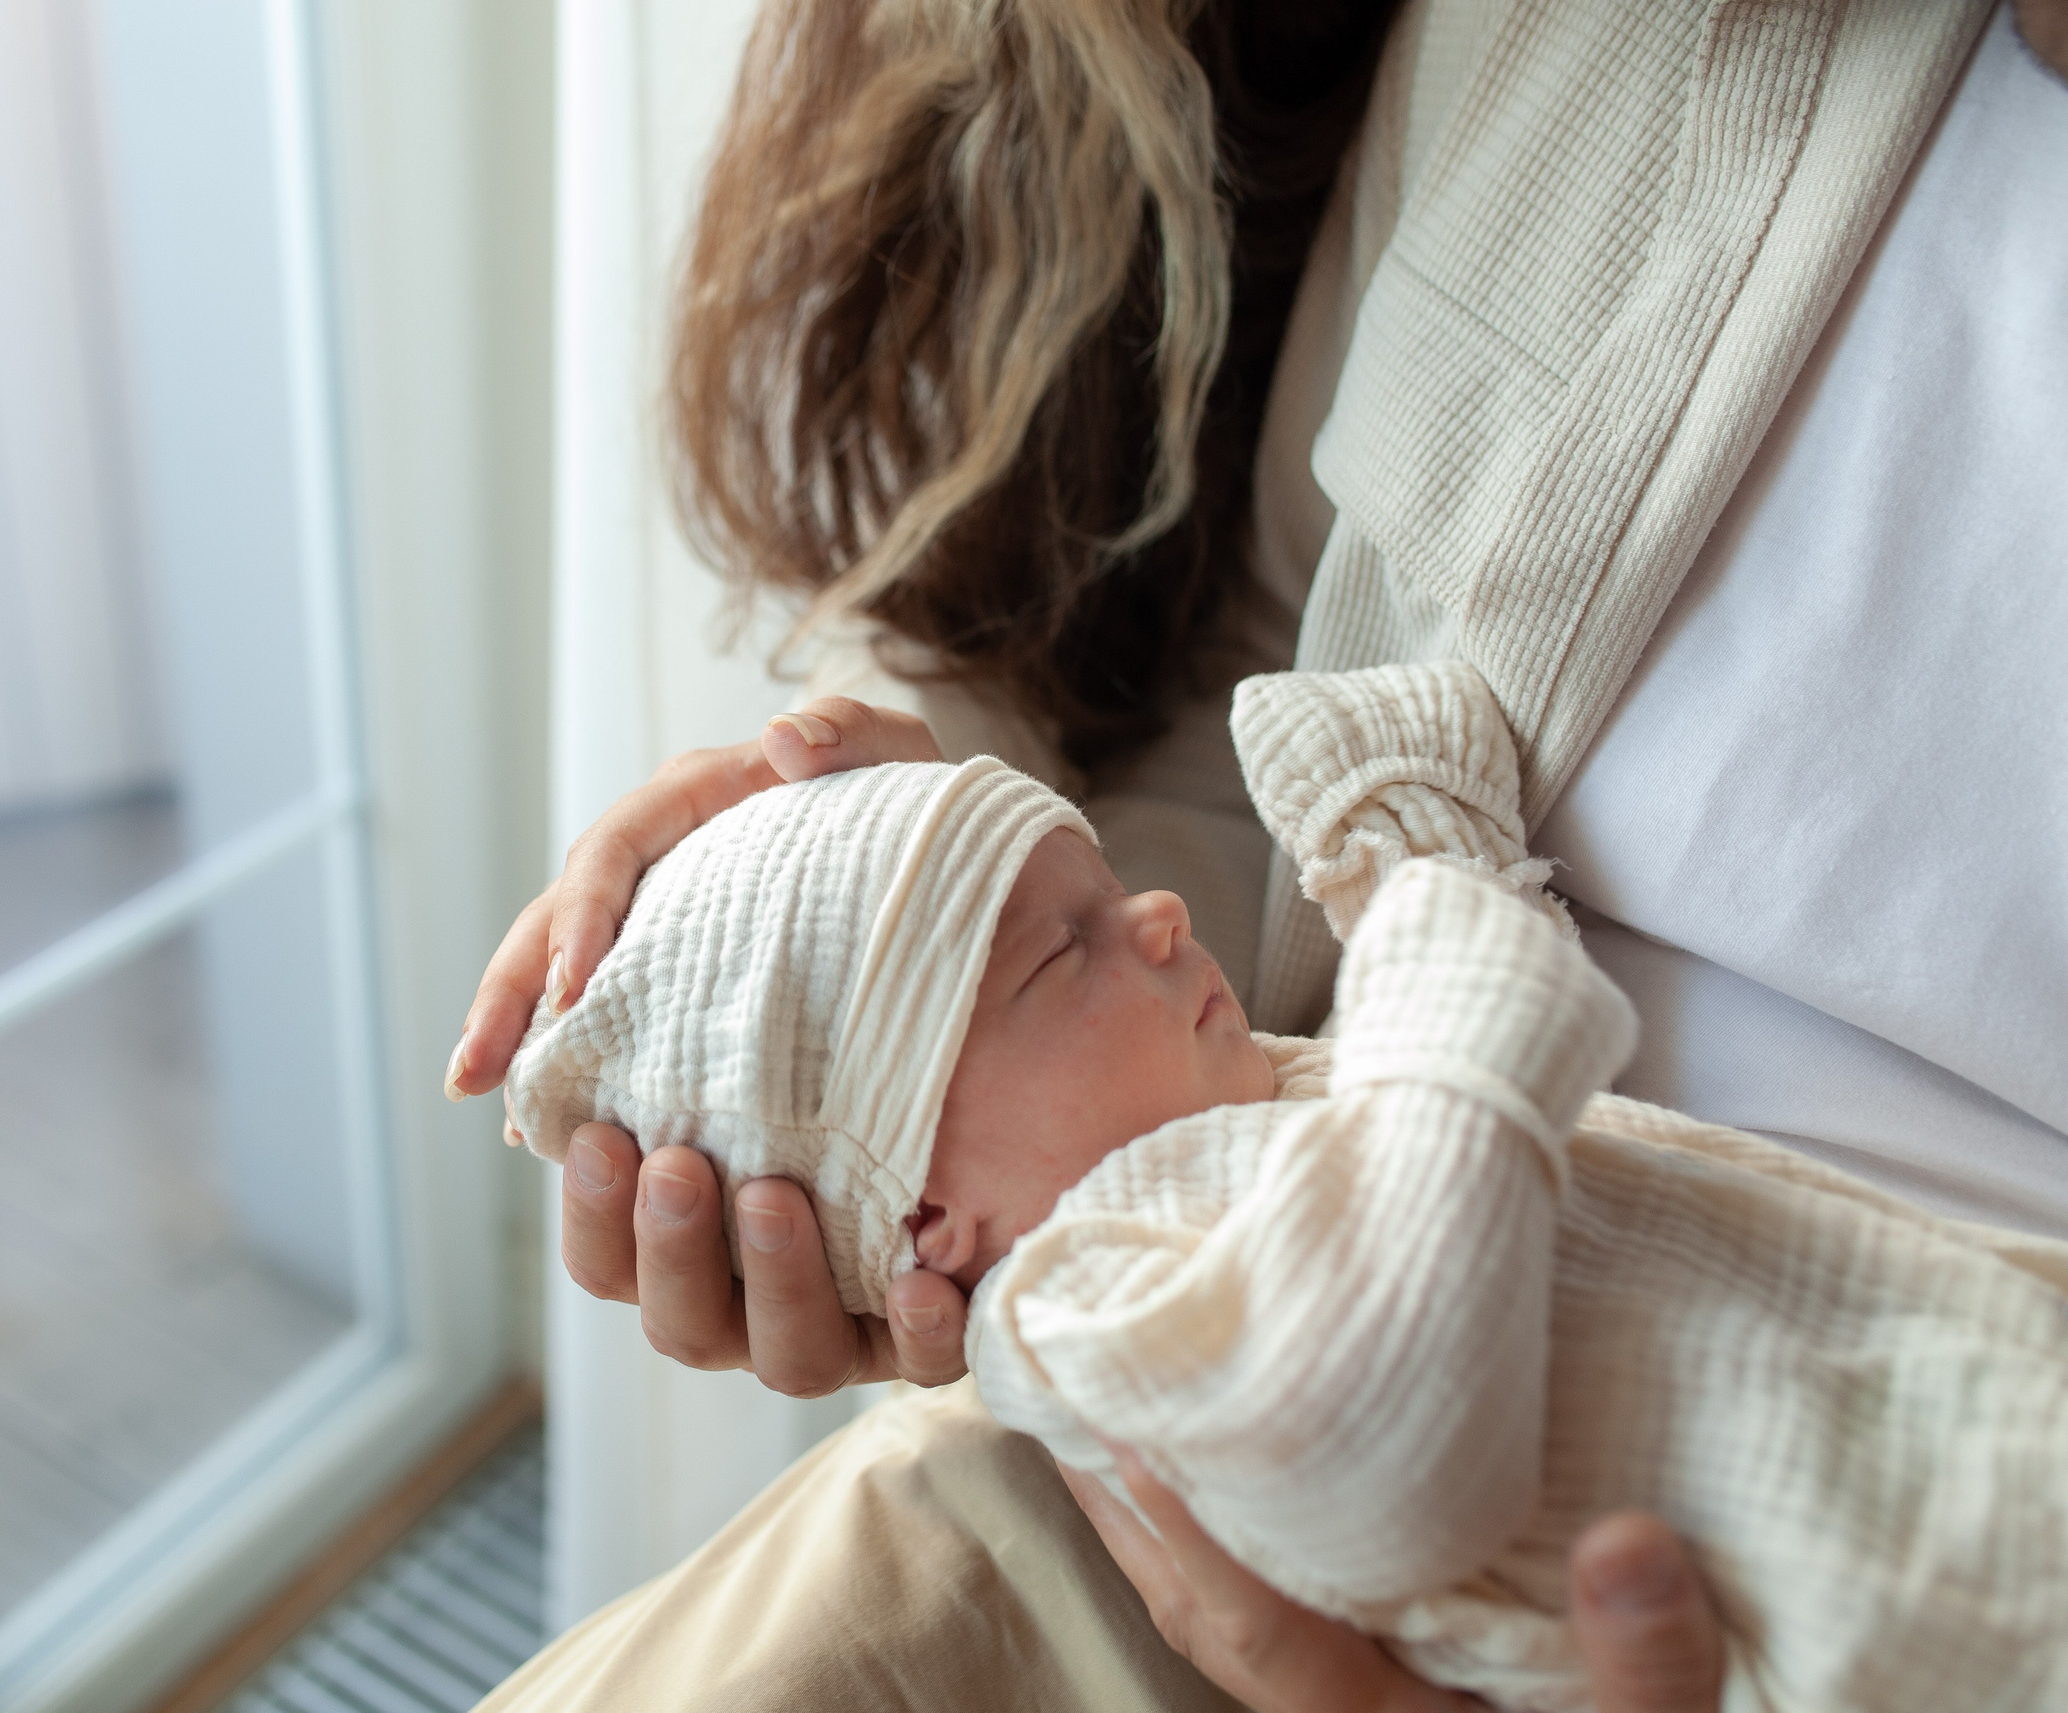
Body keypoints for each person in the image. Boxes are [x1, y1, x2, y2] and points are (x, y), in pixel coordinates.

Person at [453, 0, 2068, 1706]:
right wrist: (897, 859)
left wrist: (1444, 948)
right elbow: (1292, 649)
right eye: (1073, 940)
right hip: (1321, 1490)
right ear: (936, 1222)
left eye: (1087, 923)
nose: (1146, 915)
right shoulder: (1591, 36)